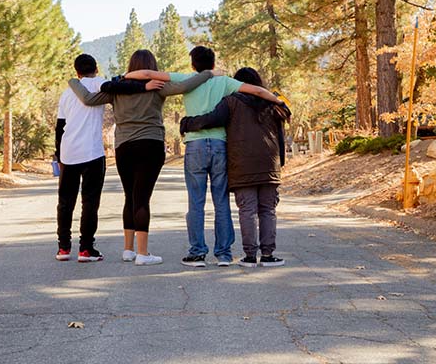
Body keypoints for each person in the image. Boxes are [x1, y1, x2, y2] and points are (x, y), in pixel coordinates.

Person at [126, 46, 283, 268]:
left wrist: (124, 76)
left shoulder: (187, 79)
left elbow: (148, 74)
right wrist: (278, 101)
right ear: (212, 63)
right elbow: (257, 91)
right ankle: (224, 254)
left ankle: (197, 253)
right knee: (221, 202)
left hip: (195, 146)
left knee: (196, 202)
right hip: (220, 146)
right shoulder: (226, 82)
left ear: (193, 65)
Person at [68, 50, 219, 265]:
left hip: (124, 147)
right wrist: (207, 74)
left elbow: (88, 98)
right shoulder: (157, 85)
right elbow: (185, 85)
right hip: (151, 144)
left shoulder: (118, 88)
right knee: (142, 198)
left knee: (130, 196)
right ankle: (143, 253)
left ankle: (128, 250)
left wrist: (74, 81)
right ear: (151, 65)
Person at [180, 67, 291, 268]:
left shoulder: (231, 102)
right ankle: (268, 255)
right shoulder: (272, 103)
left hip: (242, 165)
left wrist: (187, 123)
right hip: (269, 164)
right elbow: (280, 136)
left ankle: (249, 256)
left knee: (247, 210)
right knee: (268, 210)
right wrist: (280, 162)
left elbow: (210, 119)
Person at [54, 54, 107, 263]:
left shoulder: (67, 94)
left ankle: (63, 248)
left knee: (65, 202)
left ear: (76, 72)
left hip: (68, 152)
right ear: (96, 68)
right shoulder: (100, 83)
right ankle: (86, 249)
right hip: (92, 152)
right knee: (90, 201)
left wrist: (58, 155)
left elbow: (59, 127)